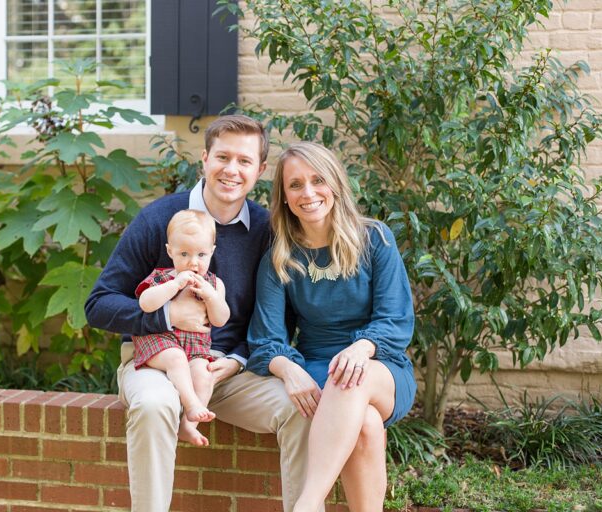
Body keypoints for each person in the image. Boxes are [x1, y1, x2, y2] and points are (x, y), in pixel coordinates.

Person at [85, 115, 339, 512]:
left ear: (260, 170)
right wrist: (167, 316)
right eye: (222, 157)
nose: (231, 170)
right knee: (154, 407)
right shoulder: (159, 220)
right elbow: (98, 304)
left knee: (304, 409)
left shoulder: (267, 230)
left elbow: (279, 316)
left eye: (244, 161)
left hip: (228, 371)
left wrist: (238, 359)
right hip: (157, 362)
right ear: (204, 158)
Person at [246, 141, 417, 512]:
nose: (308, 193)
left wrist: (362, 347)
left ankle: (307, 503)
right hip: (319, 366)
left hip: (381, 366)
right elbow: (265, 339)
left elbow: (396, 319)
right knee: (367, 426)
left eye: (317, 180)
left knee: (350, 375)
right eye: (295, 185)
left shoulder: (375, 240)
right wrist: (288, 369)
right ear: (284, 197)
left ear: (336, 184)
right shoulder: (280, 259)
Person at [132, 209, 229, 446]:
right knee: (176, 358)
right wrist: (174, 286)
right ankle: (191, 403)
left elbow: (220, 319)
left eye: (201, 254)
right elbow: (145, 303)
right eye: (184, 253)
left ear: (211, 252)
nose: (193, 262)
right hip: (160, 344)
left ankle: (188, 426)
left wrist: (211, 297)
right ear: (170, 251)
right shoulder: (162, 278)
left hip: (195, 349)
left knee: (205, 376)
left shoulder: (214, 284)